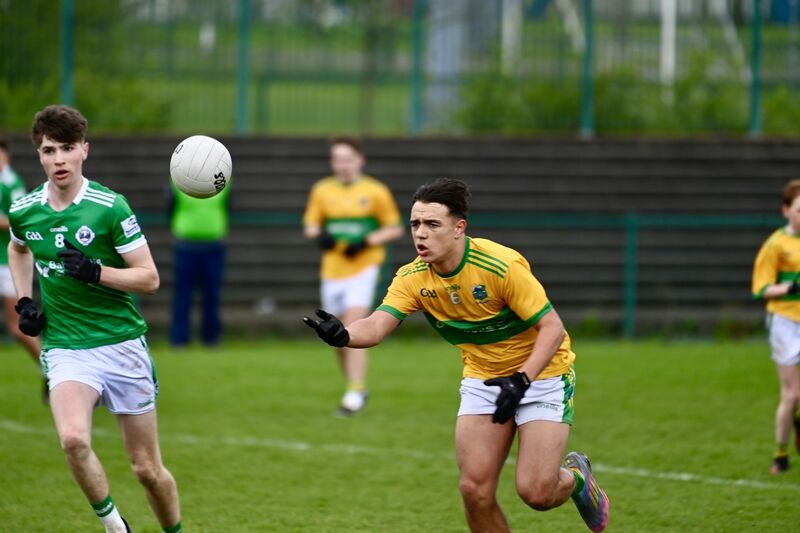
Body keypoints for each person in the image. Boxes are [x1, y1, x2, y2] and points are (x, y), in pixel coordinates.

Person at [304, 178, 609, 532]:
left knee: (536, 492)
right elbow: (376, 325)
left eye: (433, 224)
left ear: (458, 228)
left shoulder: (500, 266)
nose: (421, 233)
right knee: (473, 489)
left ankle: (577, 478)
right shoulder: (413, 278)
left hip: (542, 376)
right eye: (415, 224)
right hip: (483, 380)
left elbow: (553, 329)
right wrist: (344, 334)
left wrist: (522, 379)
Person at [8, 105, 182, 533]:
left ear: (85, 150)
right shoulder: (25, 210)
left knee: (146, 469)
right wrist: (26, 301)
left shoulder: (110, 208)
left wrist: (95, 272)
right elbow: (18, 248)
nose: (59, 159)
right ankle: (115, 526)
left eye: (68, 148)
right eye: (50, 150)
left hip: (121, 343)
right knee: (72, 440)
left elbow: (150, 278)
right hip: (67, 347)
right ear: (39, 155)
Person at [303, 136, 404, 415]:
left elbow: (394, 228)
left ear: (361, 160)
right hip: (333, 270)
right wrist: (321, 236)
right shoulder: (322, 190)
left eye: (348, 159)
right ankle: (354, 385)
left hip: (364, 267)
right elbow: (310, 225)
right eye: (337, 159)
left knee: (352, 323)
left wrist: (368, 241)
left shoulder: (375, 191)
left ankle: (356, 391)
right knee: (334, 333)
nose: (343, 165)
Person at [752, 178, 800, 475]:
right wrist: (790, 287)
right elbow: (761, 289)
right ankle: (780, 454)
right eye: (798, 209)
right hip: (784, 322)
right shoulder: (776, 245)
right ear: (785, 210)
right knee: (791, 394)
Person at [0, 137, 43, 389]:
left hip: (6, 261)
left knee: (16, 328)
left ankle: (48, 369)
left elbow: (20, 220)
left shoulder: (11, 182)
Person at [167, 180, 230, 347]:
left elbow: (228, 204)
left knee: (212, 295)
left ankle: (211, 338)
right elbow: (171, 205)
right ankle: (179, 339)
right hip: (186, 245)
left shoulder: (224, 178)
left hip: (213, 244)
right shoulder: (179, 176)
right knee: (183, 295)